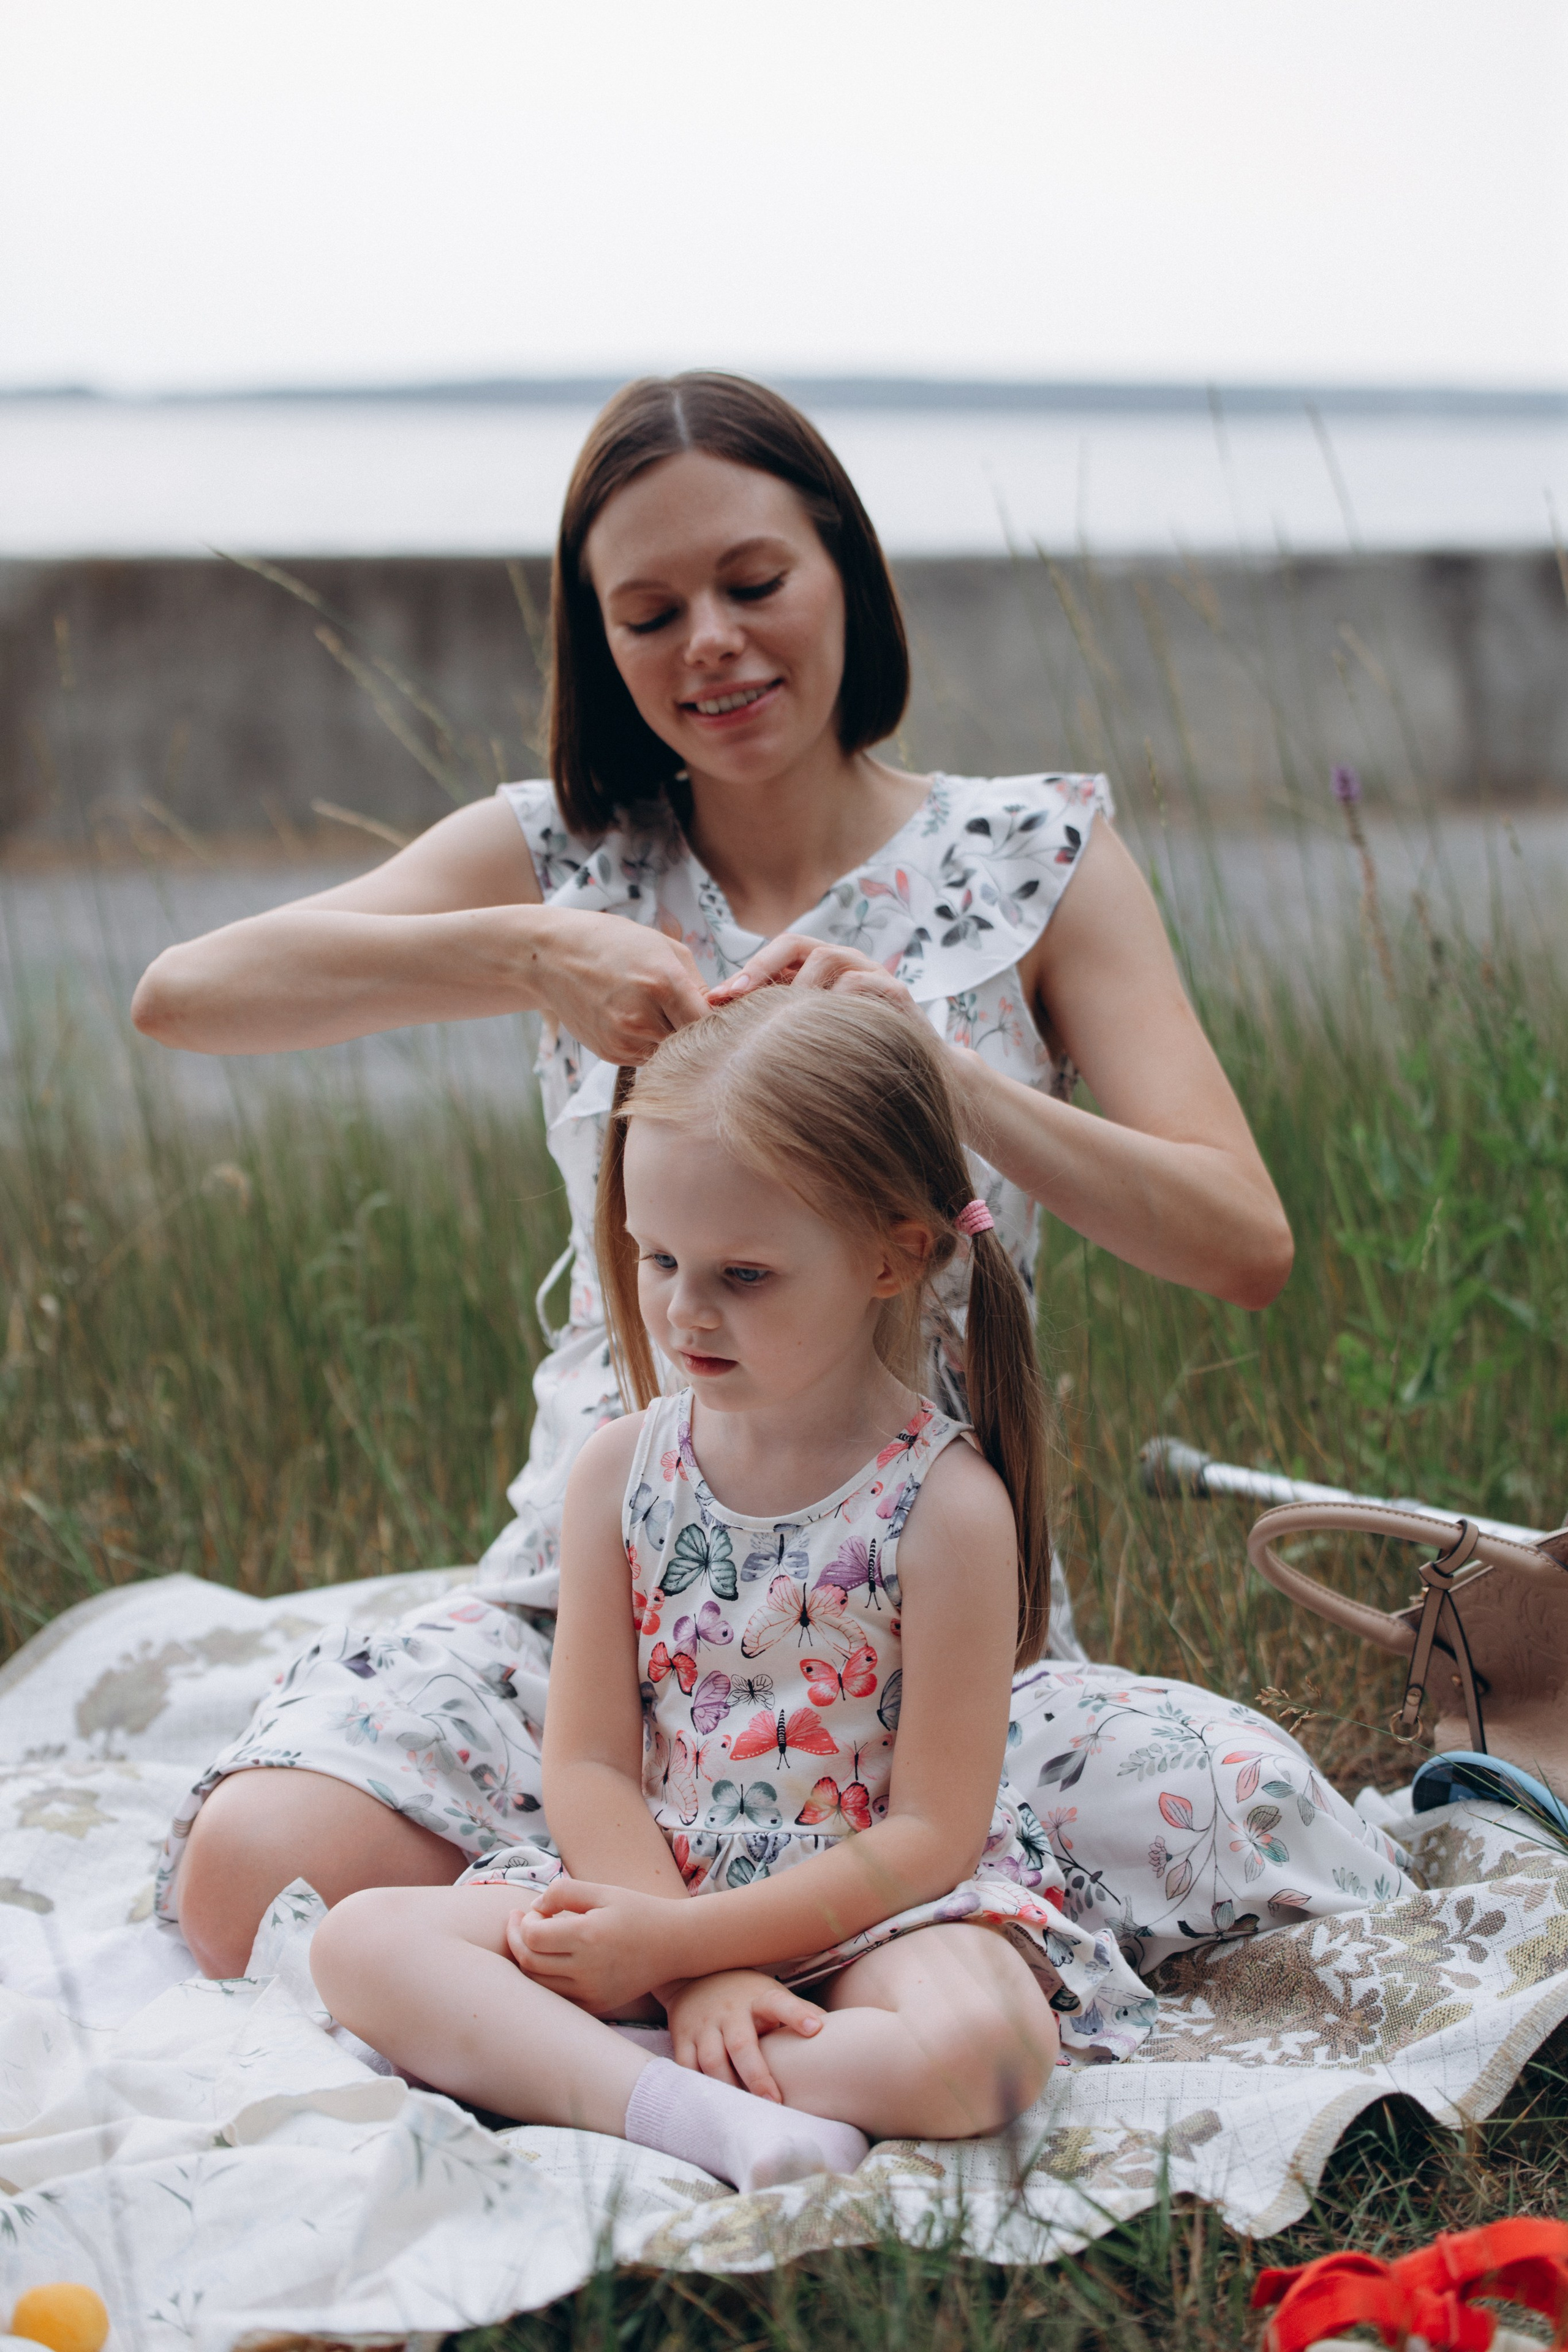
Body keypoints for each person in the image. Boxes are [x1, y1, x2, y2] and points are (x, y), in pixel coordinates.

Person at [138, 372, 1404, 1988]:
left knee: (1253, 1825)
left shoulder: (1032, 855)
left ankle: (634, 1951)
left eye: (753, 584)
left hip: (906, 1617)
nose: (710, 647)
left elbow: (1243, 1243)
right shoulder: (565, 857)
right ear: (598, 642)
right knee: (245, 1875)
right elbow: (183, 994)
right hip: (590, 1602)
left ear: (844, 577)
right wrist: (528, 954)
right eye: (649, 613)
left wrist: (950, 1080)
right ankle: (691, 1956)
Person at [309, 990, 1155, 2187]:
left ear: (893, 1252)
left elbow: (929, 1835)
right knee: (360, 1942)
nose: (682, 1309)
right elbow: (591, 1764)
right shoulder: (620, 1469)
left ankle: (630, 2066)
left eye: (743, 1274)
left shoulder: (946, 1506)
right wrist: (678, 1961)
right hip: (656, 1883)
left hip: (868, 1911)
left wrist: (693, 1949)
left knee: (986, 2057)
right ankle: (691, 2105)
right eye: (660, 1258)